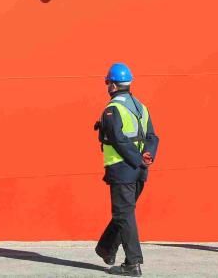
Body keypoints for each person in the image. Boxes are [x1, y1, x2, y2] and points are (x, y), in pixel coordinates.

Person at [94, 62, 159, 277]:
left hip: (123, 168)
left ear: (112, 85)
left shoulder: (112, 109)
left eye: (107, 83)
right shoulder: (142, 107)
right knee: (125, 212)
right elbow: (152, 137)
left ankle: (133, 263)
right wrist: (147, 157)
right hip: (139, 170)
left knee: (123, 213)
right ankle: (106, 248)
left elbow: (118, 140)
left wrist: (137, 160)